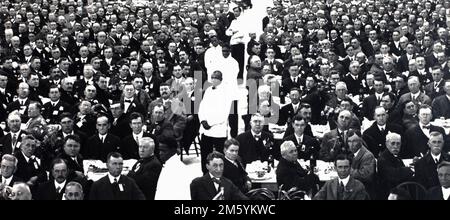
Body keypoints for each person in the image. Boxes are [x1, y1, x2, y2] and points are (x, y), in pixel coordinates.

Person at [198, 71, 232, 173]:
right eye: (212, 77)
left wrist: (210, 123)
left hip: (218, 129)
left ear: (221, 79)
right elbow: (202, 107)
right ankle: (205, 174)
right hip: (206, 129)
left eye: (216, 78)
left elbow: (224, 112)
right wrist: (203, 120)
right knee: (205, 153)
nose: (213, 79)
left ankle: (220, 174)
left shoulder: (226, 92)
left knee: (220, 154)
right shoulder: (208, 90)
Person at [377, 132, 414, 199]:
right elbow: (393, 175)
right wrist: (409, 170)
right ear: (386, 144)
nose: (395, 146)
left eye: (398, 143)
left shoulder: (395, 156)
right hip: (388, 194)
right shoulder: (383, 159)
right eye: (393, 143)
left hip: (398, 191)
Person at [347, 129, 376, 198]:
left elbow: (366, 176)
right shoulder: (352, 154)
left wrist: (346, 170)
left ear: (360, 140)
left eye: (354, 141)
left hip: (364, 192)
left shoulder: (368, 156)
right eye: (349, 141)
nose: (351, 144)